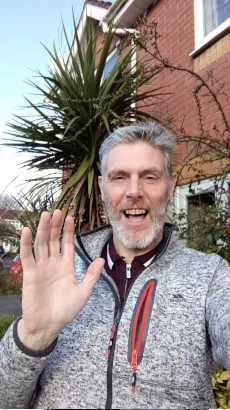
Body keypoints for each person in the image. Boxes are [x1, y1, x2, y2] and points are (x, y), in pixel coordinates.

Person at [0, 121, 230, 410]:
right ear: (102, 188)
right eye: (119, 177)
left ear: (170, 187)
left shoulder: (209, 277)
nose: (134, 191)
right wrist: (32, 337)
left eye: (149, 176)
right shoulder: (63, 271)